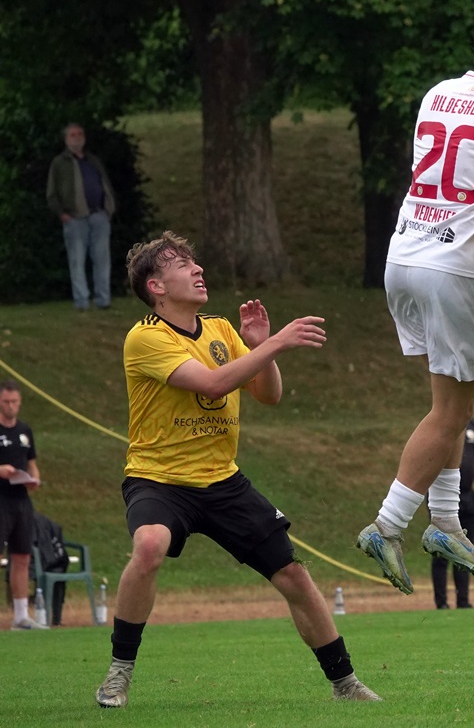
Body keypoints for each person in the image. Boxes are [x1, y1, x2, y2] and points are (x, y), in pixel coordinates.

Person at [94, 231, 380, 709]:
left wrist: (260, 347)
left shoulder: (221, 330)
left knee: (293, 575)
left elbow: (269, 395)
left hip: (222, 480)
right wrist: (280, 343)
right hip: (160, 479)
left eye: (194, 261)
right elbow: (212, 383)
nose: (197, 269)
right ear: (156, 287)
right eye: (182, 265)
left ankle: (346, 684)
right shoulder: (145, 337)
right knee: (149, 545)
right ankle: (118, 673)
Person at [354, 21, 474, 594]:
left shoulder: (437, 93)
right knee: (449, 414)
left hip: (403, 256)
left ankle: (446, 521)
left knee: (450, 407)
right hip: (456, 269)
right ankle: (388, 525)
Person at [46, 123, 117, 310]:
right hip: (75, 217)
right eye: (72, 135)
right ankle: (82, 301)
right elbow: (52, 193)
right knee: (77, 261)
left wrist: (108, 209)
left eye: (79, 134)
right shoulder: (60, 163)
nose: (77, 137)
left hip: (99, 215)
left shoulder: (92, 160)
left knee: (102, 260)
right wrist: (62, 214)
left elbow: (104, 184)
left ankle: (103, 300)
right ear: (66, 139)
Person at [0, 380, 46, 630]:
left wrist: (34, 479)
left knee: (22, 556)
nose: (11, 406)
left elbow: (31, 463)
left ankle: (20, 616)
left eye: (14, 402)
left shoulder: (24, 430)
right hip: (1, 499)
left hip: (21, 500)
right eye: (6, 402)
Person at [431, 419, 474, 610]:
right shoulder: (438, 421)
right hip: (443, 497)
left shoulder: (473, 425)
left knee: (464, 551)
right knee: (441, 550)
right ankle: (441, 602)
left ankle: (463, 601)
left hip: (468, 497)